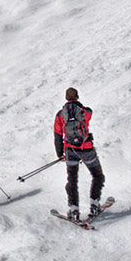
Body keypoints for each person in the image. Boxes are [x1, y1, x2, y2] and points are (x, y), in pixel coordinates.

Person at [54, 87, 105, 222]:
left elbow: (58, 134)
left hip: (70, 151)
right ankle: (94, 204)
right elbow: (89, 114)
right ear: (77, 96)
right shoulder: (85, 111)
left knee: (72, 179)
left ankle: (74, 209)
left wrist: (60, 153)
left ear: (66, 98)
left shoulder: (60, 115)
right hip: (86, 149)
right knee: (97, 175)